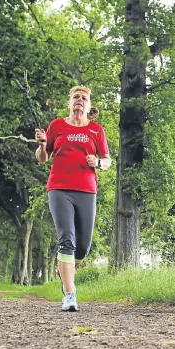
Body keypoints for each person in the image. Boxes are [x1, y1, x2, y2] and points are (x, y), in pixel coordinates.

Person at [35, 86, 111, 312]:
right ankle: (70, 293)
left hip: (87, 190)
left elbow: (107, 160)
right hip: (59, 188)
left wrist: (97, 162)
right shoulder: (56, 126)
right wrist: (41, 145)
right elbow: (42, 158)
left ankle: (67, 274)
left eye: (84, 98)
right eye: (76, 97)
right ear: (70, 103)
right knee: (66, 239)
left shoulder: (96, 130)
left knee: (82, 248)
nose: (79, 101)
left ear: (89, 106)